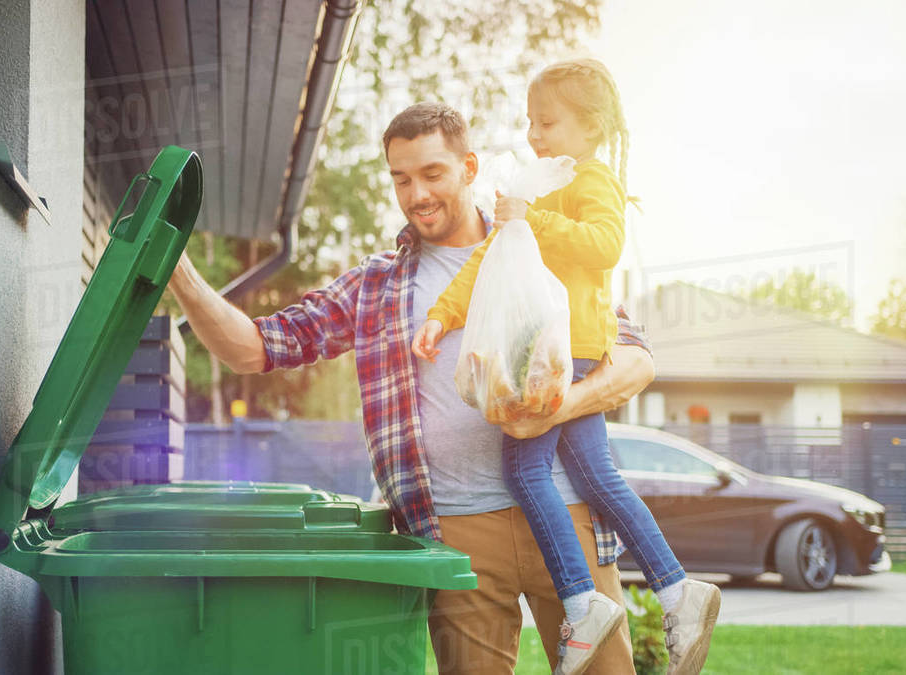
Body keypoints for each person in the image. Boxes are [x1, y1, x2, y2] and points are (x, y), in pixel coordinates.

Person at [167, 101, 651, 674]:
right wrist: (178, 268)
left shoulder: (540, 248)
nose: (416, 194)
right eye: (401, 178)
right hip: (455, 529)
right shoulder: (377, 285)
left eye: (432, 174)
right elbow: (253, 348)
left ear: (470, 168)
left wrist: (557, 407)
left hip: (566, 510)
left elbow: (636, 362)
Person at [413, 59, 720, 675]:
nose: (535, 134)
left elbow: (605, 244)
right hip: (554, 344)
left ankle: (583, 602)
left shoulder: (592, 178)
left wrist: (537, 218)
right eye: (531, 122)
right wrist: (444, 315)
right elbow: (488, 258)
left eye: (548, 122)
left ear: (592, 124)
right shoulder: (542, 180)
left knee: (525, 469)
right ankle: (676, 589)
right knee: (597, 475)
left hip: (572, 346)